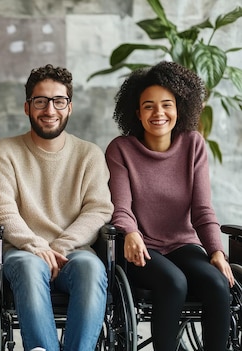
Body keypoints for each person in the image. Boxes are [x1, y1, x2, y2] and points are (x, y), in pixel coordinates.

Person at [0, 64, 113, 351]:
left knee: (92, 269)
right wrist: (36, 245)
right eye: (40, 101)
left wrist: (60, 247)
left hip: (74, 253)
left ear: (70, 107)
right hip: (22, 252)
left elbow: (99, 210)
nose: (50, 110)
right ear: (27, 107)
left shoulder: (88, 154)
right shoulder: (6, 151)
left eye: (59, 101)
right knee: (29, 268)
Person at [106, 60, 234, 350]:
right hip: (141, 248)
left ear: (179, 109)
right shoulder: (121, 149)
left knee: (217, 284)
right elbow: (121, 207)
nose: (158, 113)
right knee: (174, 282)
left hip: (182, 245)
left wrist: (216, 252)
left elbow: (202, 210)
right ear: (137, 113)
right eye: (148, 106)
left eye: (167, 104)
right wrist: (131, 232)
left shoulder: (193, 144)